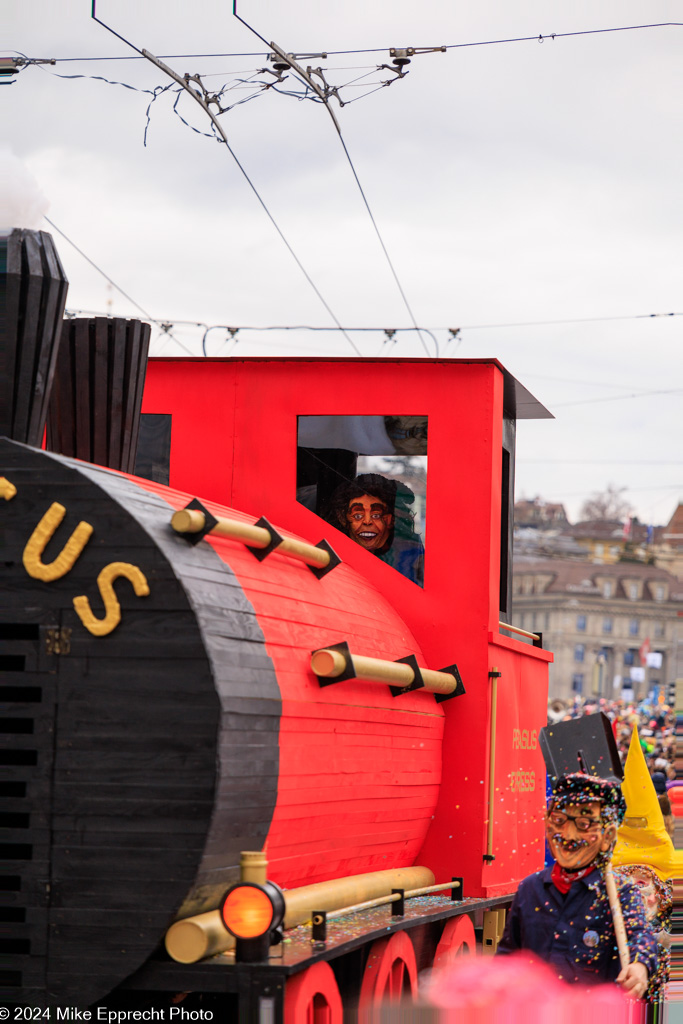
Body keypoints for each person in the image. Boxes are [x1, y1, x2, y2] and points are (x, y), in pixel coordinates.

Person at [497, 772, 657, 998]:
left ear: (607, 836)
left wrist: (640, 965)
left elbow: (641, 935)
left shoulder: (620, 892)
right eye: (559, 821)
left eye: (583, 824)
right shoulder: (529, 889)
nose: (568, 835)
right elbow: (508, 956)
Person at [324, 473, 424, 585]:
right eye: (358, 516)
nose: (367, 522)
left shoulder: (409, 552)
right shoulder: (329, 552)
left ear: (390, 519)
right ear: (342, 518)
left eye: (376, 515)